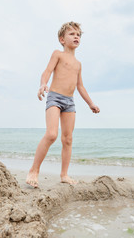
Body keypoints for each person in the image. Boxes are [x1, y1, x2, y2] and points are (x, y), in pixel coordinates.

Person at [26, 21, 100, 187]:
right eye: (72, 34)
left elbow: (80, 86)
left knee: (68, 139)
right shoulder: (57, 54)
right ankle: (34, 170)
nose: (76, 37)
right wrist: (43, 84)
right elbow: (47, 71)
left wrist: (90, 103)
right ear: (62, 39)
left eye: (78, 35)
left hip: (69, 102)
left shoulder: (78, 64)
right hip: (55, 97)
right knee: (52, 134)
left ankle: (64, 174)